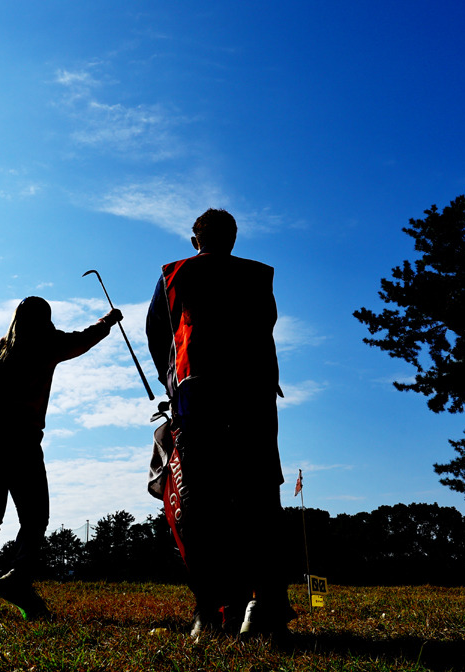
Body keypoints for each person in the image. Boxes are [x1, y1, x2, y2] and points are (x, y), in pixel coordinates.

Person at [145, 208, 294, 639]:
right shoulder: (258, 276)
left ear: (196, 239)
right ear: (232, 238)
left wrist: (171, 382)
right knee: (261, 502)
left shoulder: (175, 274)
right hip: (255, 395)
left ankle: (208, 613)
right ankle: (266, 608)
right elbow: (265, 329)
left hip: (199, 393)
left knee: (202, 505)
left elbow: (159, 333)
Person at [0, 296, 122, 619]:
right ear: (46, 319)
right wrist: (109, 320)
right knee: (34, 519)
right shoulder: (50, 345)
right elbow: (85, 339)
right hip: (21, 440)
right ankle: (18, 579)